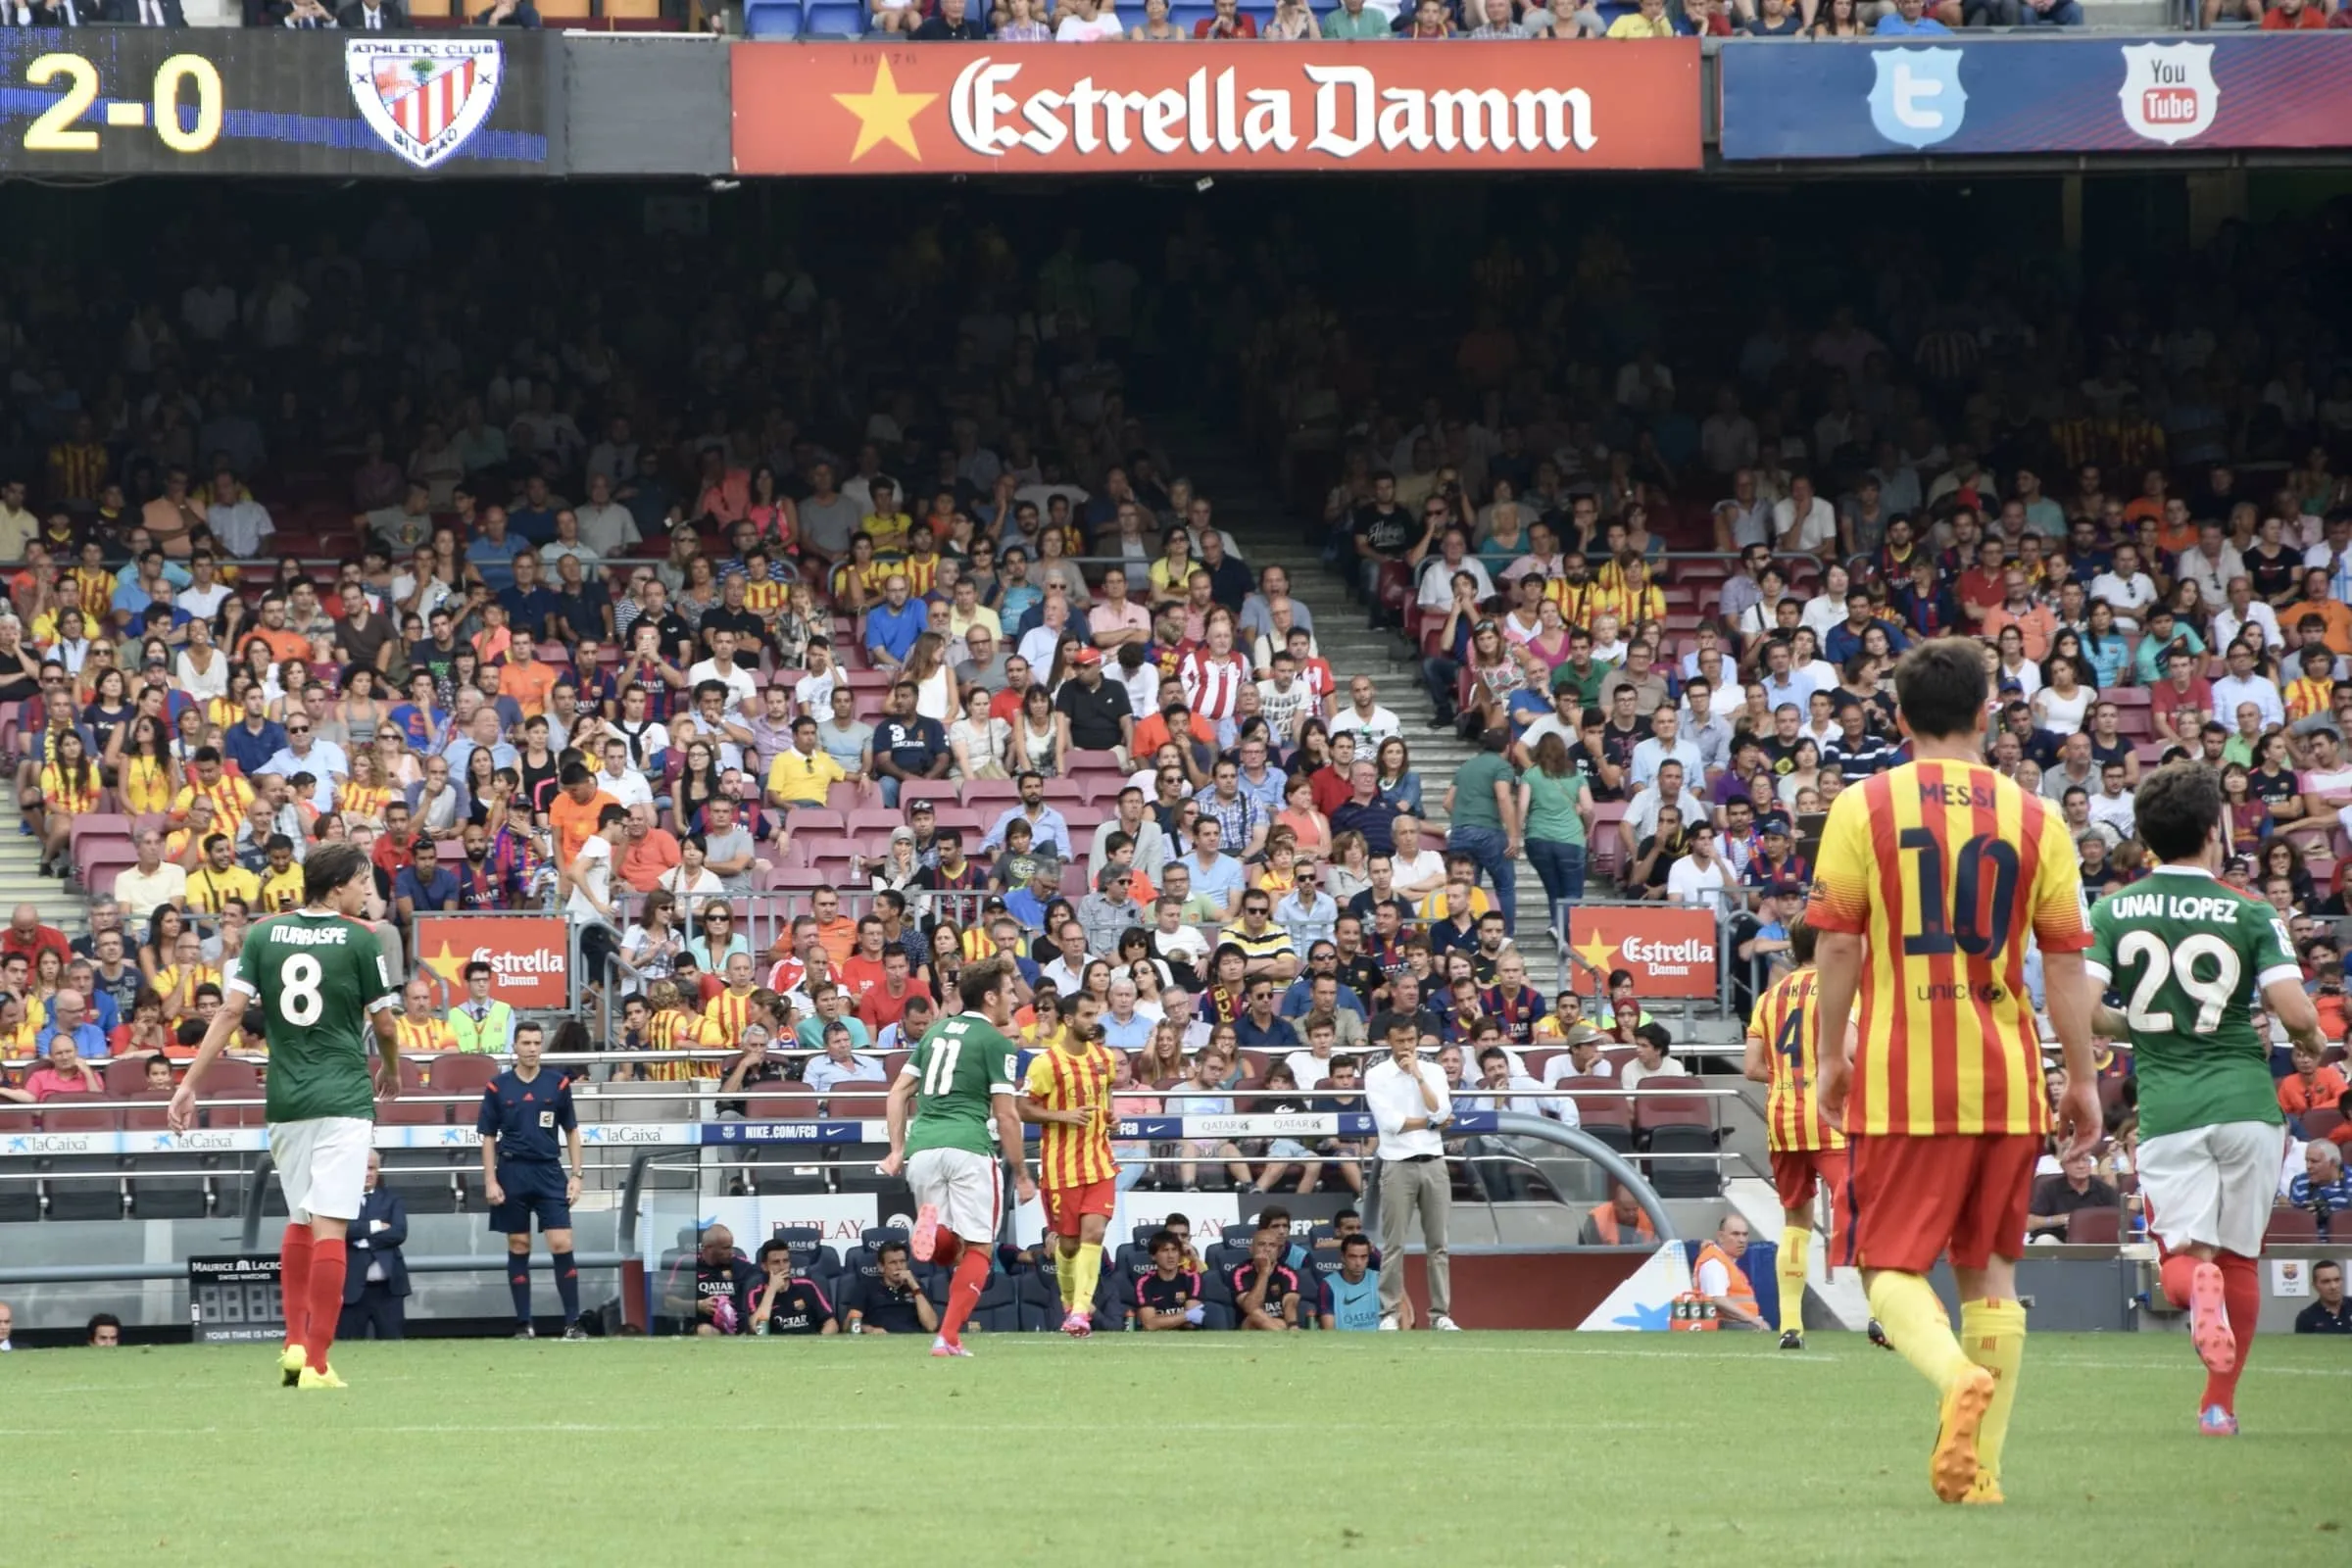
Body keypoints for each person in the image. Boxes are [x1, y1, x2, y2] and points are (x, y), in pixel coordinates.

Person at [1808, 637, 2098, 1505]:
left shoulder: (1864, 805)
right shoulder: (2036, 817)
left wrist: (1829, 1055)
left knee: (1885, 1265)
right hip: (2006, 1071)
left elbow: (1835, 941)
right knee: (1992, 1272)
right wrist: (2079, 1078)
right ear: (1986, 715)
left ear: (1897, 718)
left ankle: (1950, 1379)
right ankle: (1983, 1479)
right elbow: (2065, 965)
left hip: (1903, 1072)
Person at [2082, 760, 2323, 1438]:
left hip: (2169, 1110)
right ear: (2214, 829)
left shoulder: (2113, 908)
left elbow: (2087, 1008)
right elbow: (2292, 1007)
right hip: (2249, 1106)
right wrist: (2306, 1041)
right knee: (2242, 1258)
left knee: (2183, 1260)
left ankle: (2198, 1292)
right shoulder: (2249, 910)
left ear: (2148, 837)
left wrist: (2150, 1022)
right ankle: (2218, 1404)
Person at [167, 842, 403, 1392]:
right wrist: (390, 1069)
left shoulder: (264, 933)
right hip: (342, 1096)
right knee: (331, 1227)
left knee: (299, 1219)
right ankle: (318, 1362)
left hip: (287, 1098)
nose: (367, 890)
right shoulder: (359, 938)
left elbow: (228, 1012)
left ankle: (294, 1343)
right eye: (362, 880)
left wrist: (187, 1085)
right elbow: (387, 1026)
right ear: (339, 884)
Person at [877, 957, 1037, 1357]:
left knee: (952, 1248)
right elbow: (1006, 1113)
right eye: (1008, 990)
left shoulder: (934, 1034)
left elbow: (897, 1092)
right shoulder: (997, 1042)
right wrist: (1021, 1173)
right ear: (989, 996)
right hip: (969, 1147)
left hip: (924, 1149)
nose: (1014, 997)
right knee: (981, 1247)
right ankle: (947, 1337)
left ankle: (936, 1233)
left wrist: (897, 1151)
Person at [1739, 911, 1856, 1350]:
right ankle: (1883, 1315)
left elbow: (1751, 1067)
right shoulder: (1842, 991)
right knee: (1864, 1208)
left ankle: (1791, 1325)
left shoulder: (1770, 998)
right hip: (1832, 1120)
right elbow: (1851, 1053)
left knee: (1796, 1221)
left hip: (1783, 1120)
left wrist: (1792, 1076)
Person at [476, 1024, 587, 1341]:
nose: (532, 1048)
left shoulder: (558, 1083)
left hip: (549, 1171)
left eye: (537, 1043)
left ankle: (572, 1322)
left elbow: (572, 1130)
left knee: (561, 1243)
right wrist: (490, 1179)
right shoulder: (498, 1086)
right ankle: (523, 1323)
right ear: (515, 1046)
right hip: (512, 1171)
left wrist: (577, 1175)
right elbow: (487, 1135)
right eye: (525, 1042)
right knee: (519, 1244)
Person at [1019, 1014, 1118, 1336]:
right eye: (1087, 1015)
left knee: (1094, 1234)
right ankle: (1068, 1298)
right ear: (1070, 1021)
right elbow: (1022, 1108)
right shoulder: (1047, 1064)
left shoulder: (1106, 1059)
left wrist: (1109, 1118)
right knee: (1070, 1245)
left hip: (1100, 1164)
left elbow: (1106, 1097)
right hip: (1060, 1169)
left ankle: (1079, 1312)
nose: (1092, 1022)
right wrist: (1061, 1115)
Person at [1363, 1013, 1458, 1331]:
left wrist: (1418, 1076)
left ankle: (1440, 1314)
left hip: (1433, 1161)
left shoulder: (1432, 1070)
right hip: (1397, 1164)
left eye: (1411, 1041)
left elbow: (1443, 1111)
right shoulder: (1376, 1075)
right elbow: (1392, 1123)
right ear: (1389, 1042)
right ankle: (1389, 1313)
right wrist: (1432, 1123)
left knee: (1438, 1244)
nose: (1406, 1047)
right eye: (1400, 1041)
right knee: (1394, 1244)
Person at [337, 1151, 410, 1344]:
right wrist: (375, 1226)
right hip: (351, 1288)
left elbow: (398, 1233)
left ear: (378, 1170)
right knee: (349, 1345)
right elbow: (342, 1231)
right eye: (362, 1169)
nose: (367, 1173)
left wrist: (362, 1240)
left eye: (371, 1168)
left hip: (388, 1290)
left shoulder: (392, 1200)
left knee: (393, 1345)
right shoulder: (340, 1202)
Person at [845, 1240, 941, 1336]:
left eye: (902, 1262)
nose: (899, 1267)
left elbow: (931, 1326)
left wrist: (915, 1287)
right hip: (881, 1341)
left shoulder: (917, 1287)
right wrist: (869, 1329)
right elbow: (849, 1325)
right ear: (881, 1267)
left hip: (913, 1340)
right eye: (893, 1263)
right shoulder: (866, 1287)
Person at [750, 1240, 838, 1336]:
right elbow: (755, 1328)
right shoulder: (756, 1294)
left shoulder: (808, 1286)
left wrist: (817, 1341)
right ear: (764, 1267)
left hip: (809, 1344)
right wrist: (772, 1289)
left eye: (786, 1261)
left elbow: (831, 1323)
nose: (782, 1267)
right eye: (776, 1262)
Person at [1693, 1215, 1766, 1331]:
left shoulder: (1726, 1261)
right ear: (1721, 1237)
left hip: (1737, 1323)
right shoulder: (1714, 1262)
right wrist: (1753, 1320)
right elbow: (1717, 1299)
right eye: (1735, 1234)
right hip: (1728, 1325)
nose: (1742, 1240)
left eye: (1745, 1234)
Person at [1132, 1229, 1206, 1331]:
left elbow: (1192, 1323)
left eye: (1174, 1250)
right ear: (1153, 1256)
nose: (1170, 1256)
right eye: (1164, 1250)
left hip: (1187, 1338)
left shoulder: (1192, 1278)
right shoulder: (1143, 1282)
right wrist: (1186, 1316)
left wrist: (1159, 1321)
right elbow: (1149, 1325)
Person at [1316, 1232, 1383, 1331]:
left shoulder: (1380, 1279)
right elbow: (1328, 1331)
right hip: (1344, 1344)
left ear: (1368, 1258)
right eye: (1353, 1257)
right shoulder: (1328, 1285)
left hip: (1379, 1343)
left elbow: (1401, 1310)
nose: (1358, 1263)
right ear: (1343, 1257)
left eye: (1363, 1257)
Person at [2293, 1259, 2350, 1334]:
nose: (2333, 1286)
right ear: (2315, 1285)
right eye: (2326, 1281)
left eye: (2337, 1280)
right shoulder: (2306, 1317)